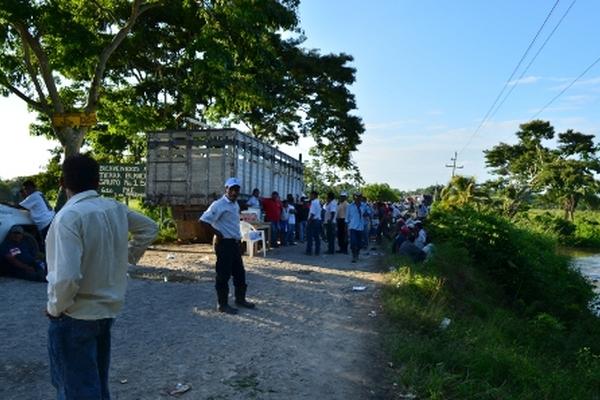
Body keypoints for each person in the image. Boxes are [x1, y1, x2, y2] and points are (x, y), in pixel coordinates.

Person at [46, 154, 158, 400]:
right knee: (96, 383)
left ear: (62, 182)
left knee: (76, 389)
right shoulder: (114, 208)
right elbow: (150, 228)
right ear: (98, 183)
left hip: (74, 315)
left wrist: (55, 308)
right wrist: (128, 255)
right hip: (106, 311)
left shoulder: (68, 217)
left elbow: (67, 278)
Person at [199, 177, 256, 315]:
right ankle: (222, 304)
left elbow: (233, 225)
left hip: (234, 243)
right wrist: (218, 234)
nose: (234, 192)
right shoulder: (218, 205)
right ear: (226, 189)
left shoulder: (235, 205)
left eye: (237, 190)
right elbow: (203, 221)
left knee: (239, 274)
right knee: (223, 275)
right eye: (232, 189)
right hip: (224, 244)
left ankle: (240, 299)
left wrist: (240, 241)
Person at [19, 179, 55, 244]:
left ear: (31, 187)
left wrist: (6, 204)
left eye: (26, 189)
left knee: (48, 244)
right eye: (25, 189)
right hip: (51, 219)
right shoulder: (39, 194)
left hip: (46, 223)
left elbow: (20, 206)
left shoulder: (33, 196)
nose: (25, 191)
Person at [346, 193, 367, 263]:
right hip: (352, 227)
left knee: (359, 243)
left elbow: (369, 213)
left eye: (359, 197)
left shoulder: (364, 206)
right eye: (356, 197)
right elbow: (347, 217)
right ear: (354, 198)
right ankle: (354, 255)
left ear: (361, 198)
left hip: (360, 227)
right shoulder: (350, 206)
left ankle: (357, 253)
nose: (358, 198)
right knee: (353, 242)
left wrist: (366, 214)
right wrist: (347, 226)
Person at [305, 190, 322, 256]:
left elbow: (312, 213)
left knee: (309, 236)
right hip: (318, 220)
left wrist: (308, 222)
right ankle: (317, 251)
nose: (310, 196)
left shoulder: (313, 203)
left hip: (313, 220)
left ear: (314, 195)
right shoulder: (318, 202)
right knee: (317, 236)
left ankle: (309, 250)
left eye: (311, 195)